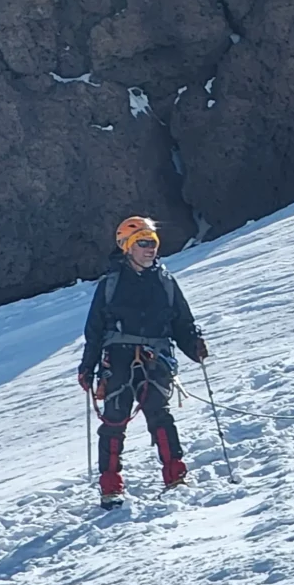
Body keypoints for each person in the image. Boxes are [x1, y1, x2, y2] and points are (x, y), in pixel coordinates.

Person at [79, 215, 206, 506]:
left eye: (153, 242)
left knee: (159, 416)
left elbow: (182, 322)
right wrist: (88, 367)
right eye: (143, 243)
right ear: (127, 247)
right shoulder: (111, 284)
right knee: (114, 420)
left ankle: (175, 476)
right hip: (119, 359)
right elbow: (94, 329)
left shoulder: (165, 281)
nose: (151, 248)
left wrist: (194, 346)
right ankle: (110, 486)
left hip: (155, 358)